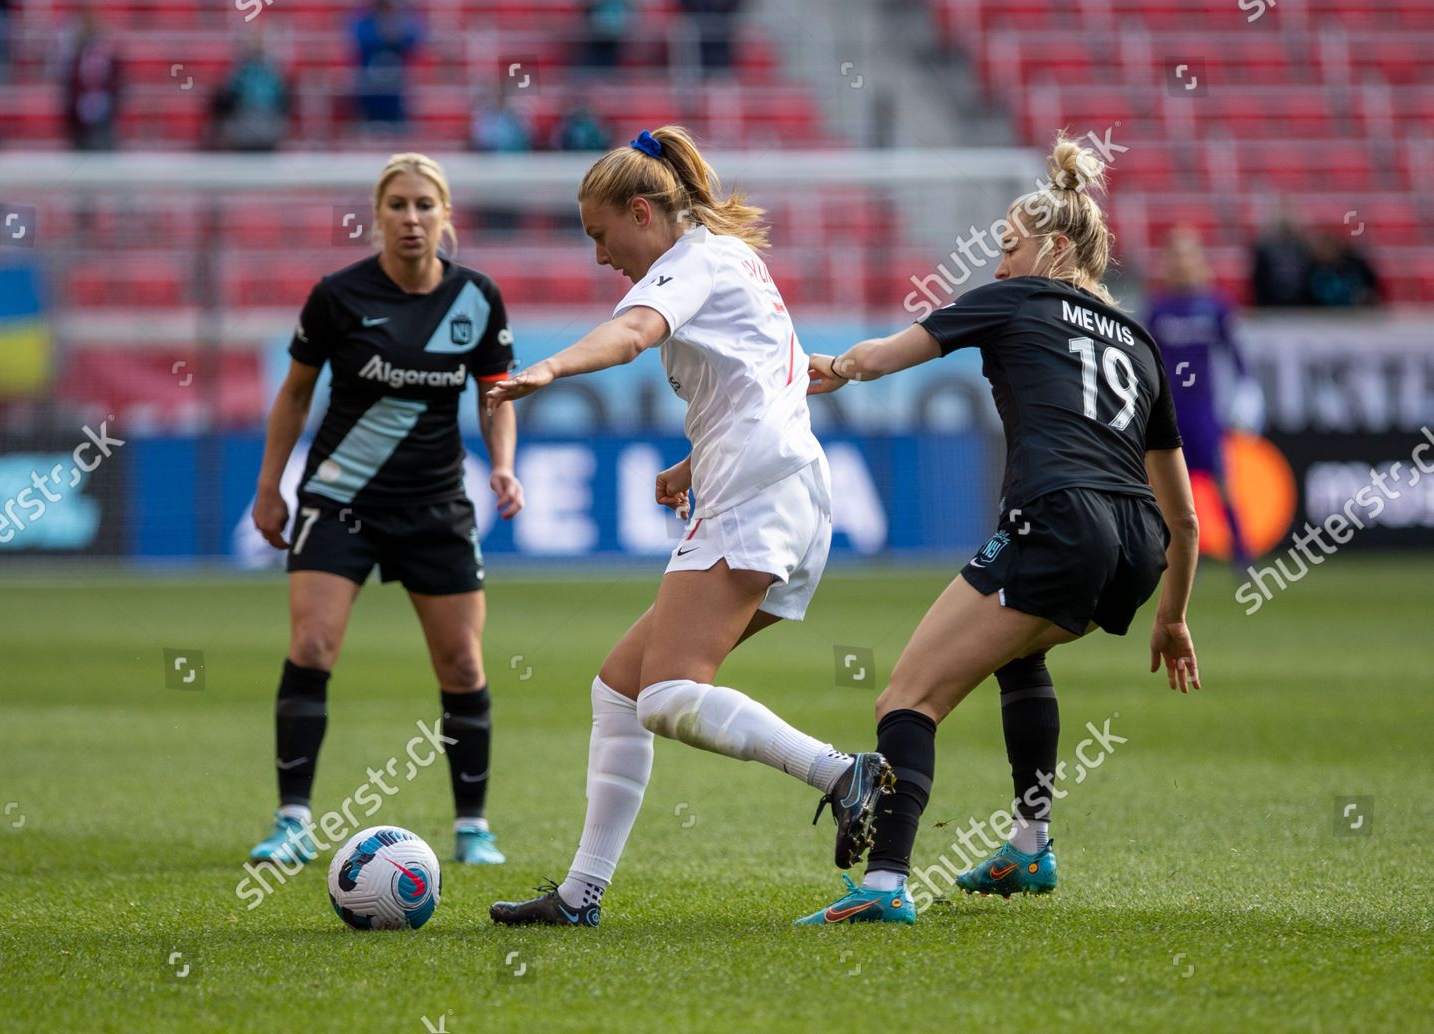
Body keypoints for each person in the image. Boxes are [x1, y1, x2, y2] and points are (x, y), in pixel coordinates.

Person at [485, 126, 890, 928]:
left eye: (602, 236)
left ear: (642, 210)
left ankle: (843, 774)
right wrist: (691, 463)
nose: (601, 257)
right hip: (785, 487)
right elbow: (766, 383)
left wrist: (552, 368)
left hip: (758, 491)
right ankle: (579, 894)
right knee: (620, 691)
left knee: (668, 695)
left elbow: (633, 334)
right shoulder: (732, 257)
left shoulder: (691, 263)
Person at [797, 133, 1201, 925]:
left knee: (905, 699)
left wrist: (834, 367)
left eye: (1007, 246)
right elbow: (1184, 514)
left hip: (1060, 519)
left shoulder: (1016, 299)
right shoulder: (1143, 342)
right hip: (1138, 546)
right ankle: (1029, 846)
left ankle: (883, 888)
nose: (997, 263)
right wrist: (1174, 615)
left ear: (1052, 247)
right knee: (1020, 654)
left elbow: (881, 360)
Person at [247, 153, 524, 868]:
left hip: (435, 504)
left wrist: (501, 465)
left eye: (424, 205)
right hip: (339, 499)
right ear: (377, 216)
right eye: (397, 205)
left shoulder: (477, 298)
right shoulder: (337, 297)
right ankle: (292, 821)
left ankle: (473, 828)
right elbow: (295, 395)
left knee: (462, 663)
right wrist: (269, 485)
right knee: (311, 647)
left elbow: (496, 396)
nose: (410, 218)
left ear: (446, 216)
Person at [1148, 226, 1258, 569]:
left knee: (1222, 483)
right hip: (1168, 411)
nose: (1182, 263)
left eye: (1188, 254)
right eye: (1175, 256)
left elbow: (1235, 353)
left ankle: (1241, 554)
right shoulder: (1158, 310)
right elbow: (1147, 360)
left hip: (1203, 411)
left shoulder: (1215, 306)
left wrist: (1246, 390)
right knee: (1164, 490)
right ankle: (1166, 558)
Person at [208, 33, 292, 152]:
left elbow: (224, 102)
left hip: (257, 128)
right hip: (254, 128)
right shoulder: (268, 73)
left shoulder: (243, 73)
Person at [350, 0, 419, 127]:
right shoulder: (364, 21)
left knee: (398, 125)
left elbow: (414, 39)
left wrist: (394, 29)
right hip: (369, 88)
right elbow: (358, 39)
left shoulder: (405, 21)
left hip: (398, 92)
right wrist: (382, 32)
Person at [62, 7, 121, 151]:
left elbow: (116, 81)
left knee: (102, 144)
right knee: (83, 146)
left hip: (104, 107)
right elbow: (72, 83)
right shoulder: (78, 55)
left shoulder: (109, 55)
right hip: (81, 111)